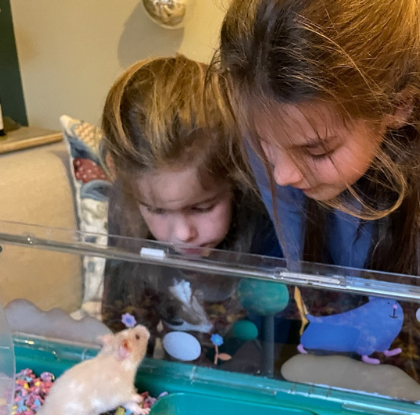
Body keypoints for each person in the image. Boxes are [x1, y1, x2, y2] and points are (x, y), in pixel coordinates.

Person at [215, 0, 420, 400]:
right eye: (262, 143)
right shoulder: (272, 132)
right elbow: (312, 287)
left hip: (419, 341)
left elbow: (411, 319)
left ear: (398, 105)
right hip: (333, 321)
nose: (282, 175)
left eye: (317, 149)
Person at [100, 55, 285, 372]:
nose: (183, 234)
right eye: (157, 210)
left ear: (236, 181)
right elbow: (123, 321)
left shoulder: (265, 215)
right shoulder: (126, 216)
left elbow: (277, 337)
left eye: (202, 207)